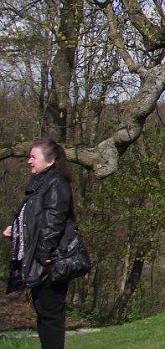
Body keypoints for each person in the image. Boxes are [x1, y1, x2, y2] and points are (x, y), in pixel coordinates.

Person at [3, 138, 75, 349]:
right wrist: (15, 230)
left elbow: (54, 221)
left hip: (49, 263)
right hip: (41, 260)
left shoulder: (55, 184)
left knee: (50, 318)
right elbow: (35, 222)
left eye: (33, 156)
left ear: (50, 160)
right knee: (45, 316)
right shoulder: (41, 185)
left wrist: (43, 255)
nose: (28, 161)